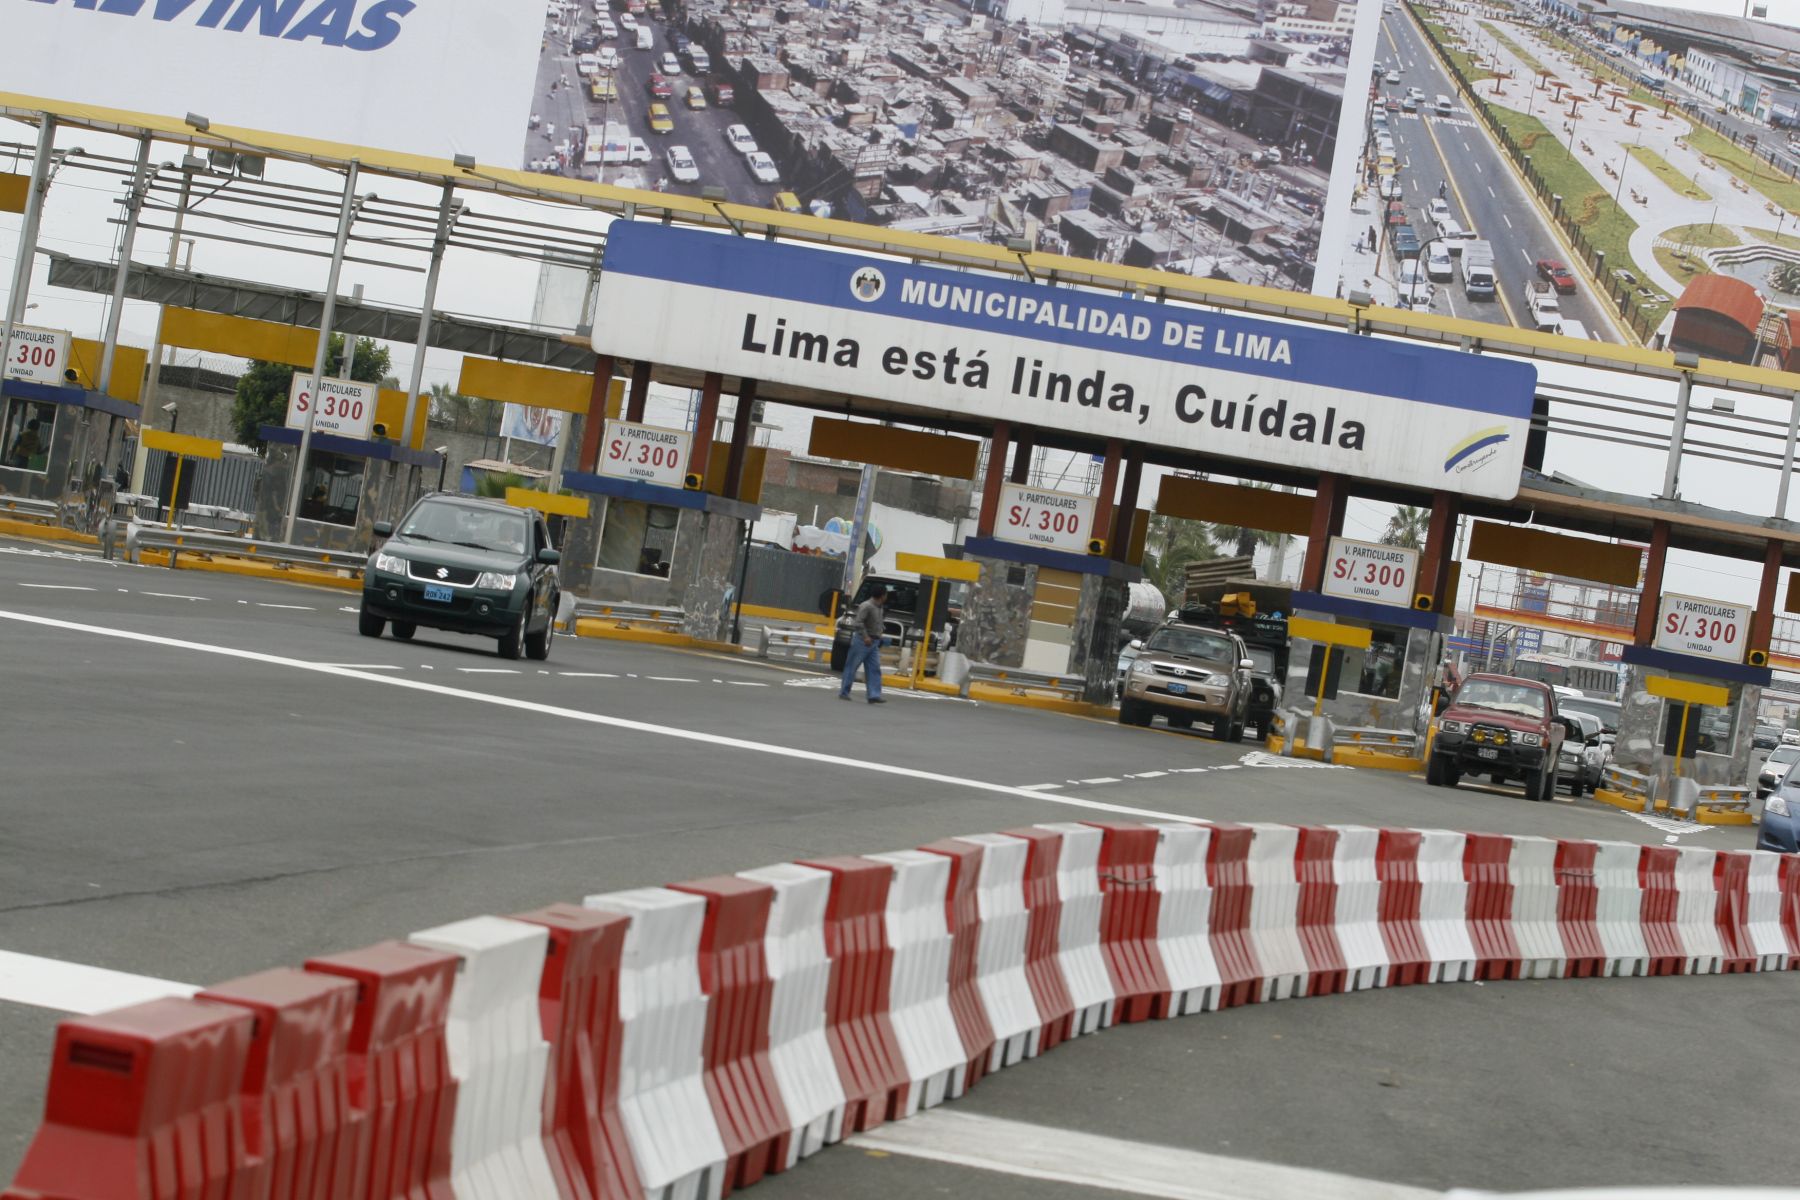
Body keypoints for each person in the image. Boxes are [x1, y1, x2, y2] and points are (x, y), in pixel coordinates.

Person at [838, 584, 888, 703]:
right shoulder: (866, 606)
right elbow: (858, 623)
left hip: (874, 642)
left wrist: (879, 634)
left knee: (874, 668)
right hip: (862, 641)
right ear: (882, 595)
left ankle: (873, 695)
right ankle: (844, 692)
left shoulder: (880, 607)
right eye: (886, 594)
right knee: (852, 666)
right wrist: (865, 636)